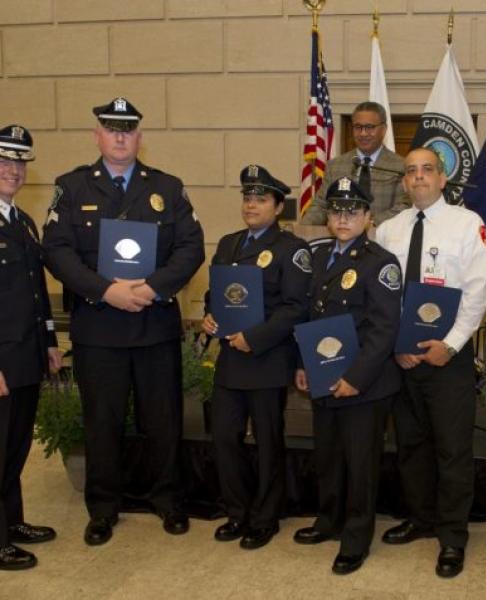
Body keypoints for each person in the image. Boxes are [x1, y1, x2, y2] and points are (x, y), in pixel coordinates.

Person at [42, 97, 205, 546]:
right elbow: (56, 250)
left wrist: (152, 287)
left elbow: (191, 247)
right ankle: (103, 507)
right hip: (99, 328)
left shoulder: (168, 188)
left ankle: (169, 500)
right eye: (111, 129)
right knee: (102, 422)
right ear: (97, 135)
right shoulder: (72, 187)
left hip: (154, 326)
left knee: (164, 420)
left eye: (128, 130)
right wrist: (104, 290)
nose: (119, 137)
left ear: (139, 138)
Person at [376, 148, 486, 578]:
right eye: (411, 172)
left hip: (448, 360)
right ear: (404, 182)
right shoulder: (388, 231)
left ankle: (452, 536)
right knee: (411, 445)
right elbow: (381, 297)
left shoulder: (468, 225)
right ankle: (421, 517)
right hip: (402, 358)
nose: (419, 177)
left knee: (452, 449)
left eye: (427, 170)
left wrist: (453, 343)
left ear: (443, 179)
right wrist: (394, 346)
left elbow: (478, 291)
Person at [293, 176, 402, 575]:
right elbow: (309, 317)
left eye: (352, 211)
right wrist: (303, 364)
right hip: (323, 376)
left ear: (368, 217)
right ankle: (329, 520)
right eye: (337, 210)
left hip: (364, 384)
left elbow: (383, 328)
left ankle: (356, 537)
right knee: (329, 457)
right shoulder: (318, 257)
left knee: (360, 463)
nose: (343, 218)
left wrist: (356, 376)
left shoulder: (381, 263)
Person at [202, 165, 311, 550]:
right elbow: (216, 294)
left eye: (260, 199)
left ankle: (265, 518)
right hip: (231, 358)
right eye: (247, 197)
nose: (251, 204)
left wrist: (255, 337)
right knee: (225, 438)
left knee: (267, 441)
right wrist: (210, 316)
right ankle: (236, 512)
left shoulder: (292, 250)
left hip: (266, 358)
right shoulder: (229, 244)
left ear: (278, 206)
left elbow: (296, 307)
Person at [0, 125, 62, 570]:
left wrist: (51, 342)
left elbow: (36, 290)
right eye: (4, 162)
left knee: (16, 445)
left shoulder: (20, 221)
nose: (13, 171)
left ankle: (12, 522)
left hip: (26, 354)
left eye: (19, 164)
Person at [301, 101, 409, 226]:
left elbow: (404, 206)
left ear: (384, 129)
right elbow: (321, 205)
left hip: (383, 237)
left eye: (369, 127)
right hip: (342, 237)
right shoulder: (335, 166)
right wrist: (303, 228)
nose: (363, 133)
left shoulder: (400, 166)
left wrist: (368, 223)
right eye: (358, 127)